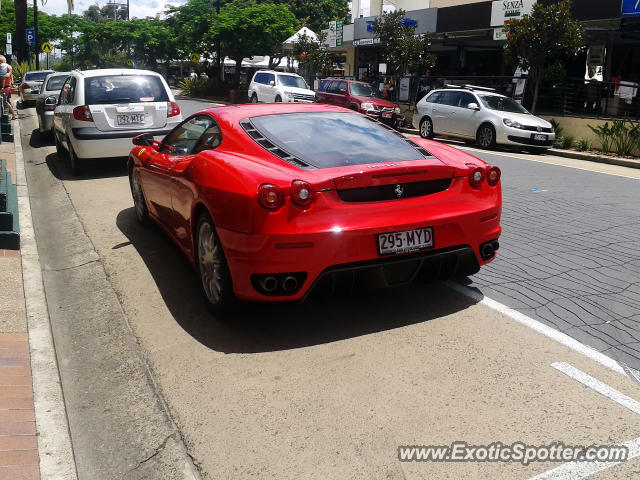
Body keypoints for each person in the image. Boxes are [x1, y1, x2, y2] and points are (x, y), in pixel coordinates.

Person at [0, 56, 17, 120]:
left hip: (6, 87)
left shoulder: (7, 66)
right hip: (3, 86)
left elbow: (8, 75)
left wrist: (1, 77)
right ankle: (12, 113)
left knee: (4, 101)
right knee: (5, 101)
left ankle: (13, 113)